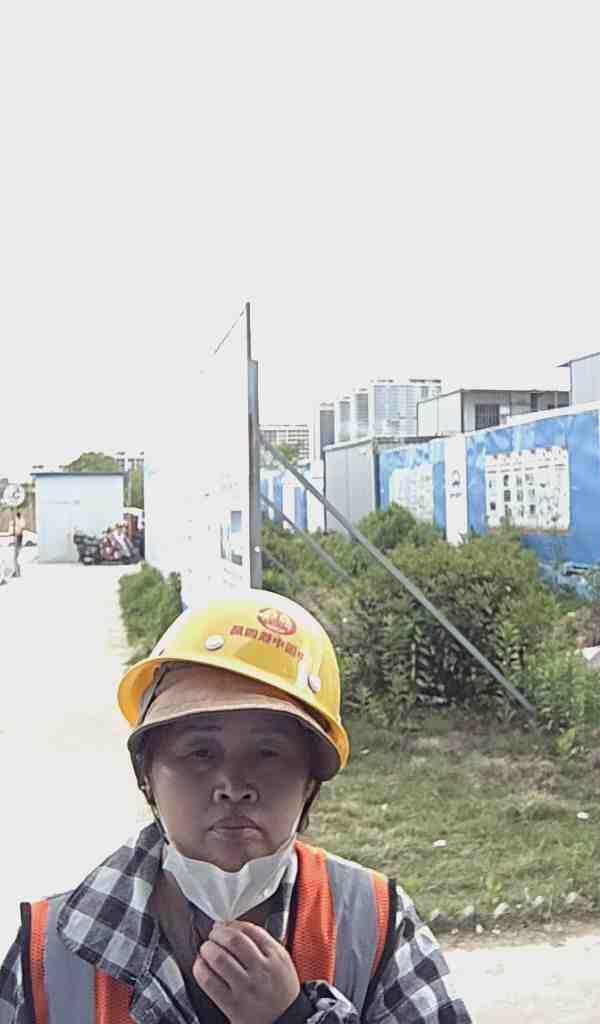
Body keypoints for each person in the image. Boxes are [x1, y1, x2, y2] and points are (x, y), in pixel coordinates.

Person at [0, 589, 472, 1023]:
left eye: (268, 753)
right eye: (200, 752)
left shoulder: (375, 922)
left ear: (310, 782)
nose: (233, 785)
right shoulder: (50, 951)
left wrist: (292, 1018)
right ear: (146, 775)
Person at [10, 511, 24, 578]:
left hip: (18, 539)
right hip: (17, 539)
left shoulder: (20, 521)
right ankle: (16, 572)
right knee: (15, 558)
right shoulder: (19, 521)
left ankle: (17, 573)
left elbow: (20, 529)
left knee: (15, 558)